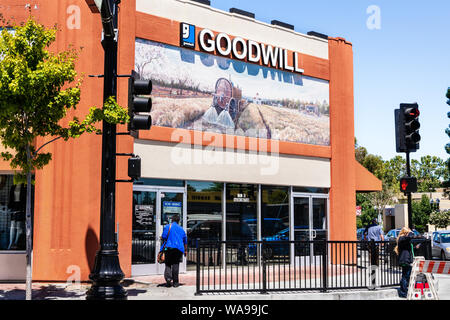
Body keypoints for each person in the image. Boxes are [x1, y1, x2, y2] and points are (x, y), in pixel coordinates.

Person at [159, 214, 187, 288]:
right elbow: (185, 240)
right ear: (178, 221)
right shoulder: (181, 229)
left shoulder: (167, 227)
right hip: (178, 249)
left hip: (168, 248)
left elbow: (164, 237)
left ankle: (168, 279)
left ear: (171, 220)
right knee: (176, 264)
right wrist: (185, 250)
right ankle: (175, 283)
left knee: (168, 263)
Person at [395, 227, 415, 298]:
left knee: (406, 275)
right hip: (404, 260)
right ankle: (403, 292)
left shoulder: (405, 239)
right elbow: (408, 237)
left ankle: (403, 290)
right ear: (405, 233)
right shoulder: (401, 238)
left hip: (407, 259)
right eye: (407, 232)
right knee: (405, 276)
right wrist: (410, 233)